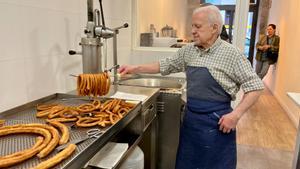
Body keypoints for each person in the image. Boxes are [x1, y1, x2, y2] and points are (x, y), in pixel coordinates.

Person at [119, 5, 264, 169]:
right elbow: (165, 65)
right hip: (191, 122)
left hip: (218, 124)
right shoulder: (189, 51)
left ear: (215, 28)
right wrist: (134, 68)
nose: (193, 31)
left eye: (198, 26)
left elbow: (255, 87)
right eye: (192, 26)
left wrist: (236, 115)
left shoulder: (232, 54)